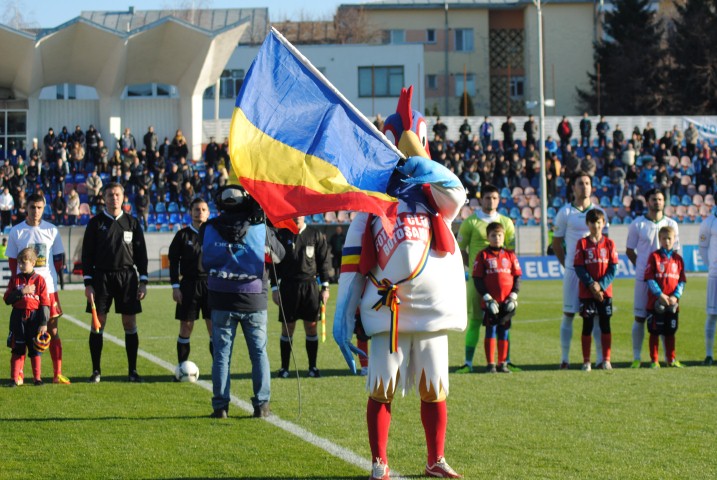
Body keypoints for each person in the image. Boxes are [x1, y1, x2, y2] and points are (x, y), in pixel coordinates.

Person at [334, 89, 465, 479]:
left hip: (428, 312)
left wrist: (421, 163)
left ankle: (435, 460)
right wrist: (344, 313)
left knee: (435, 387)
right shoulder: (371, 197)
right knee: (381, 388)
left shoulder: (434, 196)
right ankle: (379, 462)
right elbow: (353, 260)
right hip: (384, 311)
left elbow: (457, 191)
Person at [200, 185, 285, 419]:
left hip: (220, 298)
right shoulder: (260, 228)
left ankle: (220, 406)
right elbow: (279, 256)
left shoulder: (209, 228)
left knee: (221, 355)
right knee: (259, 354)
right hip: (253, 299)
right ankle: (261, 406)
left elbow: (203, 260)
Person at [82, 182, 149, 383]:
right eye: (110, 195)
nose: (114, 198)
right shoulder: (95, 223)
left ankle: (133, 371)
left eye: (117, 194)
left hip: (127, 278)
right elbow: (87, 254)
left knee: (129, 322)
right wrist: (88, 283)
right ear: (104, 197)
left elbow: (141, 253)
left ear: (123, 197)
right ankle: (96, 371)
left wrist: (143, 280)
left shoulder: (132, 222)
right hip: (101, 277)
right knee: (98, 323)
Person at [6, 193, 69, 384]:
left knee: (52, 330)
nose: (36, 211)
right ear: (27, 207)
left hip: (48, 289)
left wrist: (46, 280)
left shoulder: (52, 230)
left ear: (44, 208)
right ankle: (19, 374)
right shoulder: (16, 232)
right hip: (25, 292)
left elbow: (58, 260)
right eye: (32, 207)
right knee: (22, 333)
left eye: (39, 208)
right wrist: (22, 285)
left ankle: (57, 373)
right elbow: (12, 263)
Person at [456, 184, 516, 374]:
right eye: (488, 198)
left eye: (494, 198)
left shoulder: (506, 223)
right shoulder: (471, 222)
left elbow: (511, 253)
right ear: (482, 199)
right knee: (474, 320)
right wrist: (474, 267)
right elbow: (460, 249)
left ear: (499, 200)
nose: (491, 201)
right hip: (478, 282)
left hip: (502, 283)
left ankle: (504, 361)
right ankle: (468, 362)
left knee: (504, 319)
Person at [553, 171, 606, 369]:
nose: (584, 186)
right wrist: (567, 264)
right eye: (580, 183)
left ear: (591, 187)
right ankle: (565, 359)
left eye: (587, 183)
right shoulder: (565, 212)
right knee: (568, 314)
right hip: (573, 272)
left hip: (596, 274)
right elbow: (556, 243)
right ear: (573, 187)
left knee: (598, 316)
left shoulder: (600, 212)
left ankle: (600, 359)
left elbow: (604, 243)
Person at [625, 188, 680, 368]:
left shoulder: (672, 224)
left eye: (660, 199)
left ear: (664, 202)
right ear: (647, 202)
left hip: (666, 282)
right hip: (643, 280)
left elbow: (675, 252)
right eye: (653, 199)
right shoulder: (637, 224)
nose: (657, 202)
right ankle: (636, 358)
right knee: (640, 318)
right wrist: (642, 267)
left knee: (665, 316)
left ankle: (667, 358)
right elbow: (629, 250)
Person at [272, 215, 331, 378]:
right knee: (287, 327)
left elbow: (324, 261)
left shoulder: (315, 234)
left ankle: (313, 367)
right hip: (288, 286)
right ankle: (284, 368)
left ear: (304, 215)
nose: (297, 216)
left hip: (310, 286)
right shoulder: (281, 234)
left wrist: (325, 286)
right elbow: (273, 263)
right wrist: (274, 287)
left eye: (300, 213)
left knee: (311, 326)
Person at [471, 222, 521, 373]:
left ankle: (502, 363)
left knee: (504, 331)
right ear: (488, 237)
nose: (497, 238)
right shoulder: (483, 255)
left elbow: (517, 277)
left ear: (503, 237)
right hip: (491, 302)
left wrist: (513, 296)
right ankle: (491, 364)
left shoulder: (510, 255)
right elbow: (477, 279)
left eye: (499, 235)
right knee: (491, 330)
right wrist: (487, 298)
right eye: (493, 235)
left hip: (506, 302)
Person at [573, 209, 618, 371]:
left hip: (605, 293)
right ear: (587, 224)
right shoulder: (582, 244)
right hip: (587, 292)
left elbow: (613, 268)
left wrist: (602, 286)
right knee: (587, 325)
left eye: (599, 222)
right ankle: (586, 361)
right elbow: (578, 267)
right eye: (592, 222)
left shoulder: (610, 244)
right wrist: (592, 285)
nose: (596, 225)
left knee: (605, 324)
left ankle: (606, 359)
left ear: (603, 224)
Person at [168, 198, 211, 367]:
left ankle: (218, 370)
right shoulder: (182, 235)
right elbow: (173, 262)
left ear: (208, 213)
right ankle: (182, 367)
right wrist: (175, 286)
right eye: (196, 209)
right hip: (188, 286)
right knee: (186, 327)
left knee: (213, 328)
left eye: (203, 209)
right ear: (190, 212)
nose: (199, 212)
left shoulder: (214, 234)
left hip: (210, 285)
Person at [5, 247, 51, 386]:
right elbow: (7, 299)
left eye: (23, 263)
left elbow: (44, 302)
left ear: (32, 262)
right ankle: (14, 379)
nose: (20, 266)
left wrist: (43, 323)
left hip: (34, 317)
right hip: (18, 317)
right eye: (19, 263)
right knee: (17, 348)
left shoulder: (40, 280)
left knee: (35, 348)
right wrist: (22, 292)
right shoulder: (15, 280)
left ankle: (37, 378)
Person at [644, 226, 686, 368]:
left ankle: (671, 359)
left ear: (674, 240)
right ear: (659, 240)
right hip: (656, 302)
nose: (667, 241)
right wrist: (660, 295)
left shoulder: (678, 259)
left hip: (672, 303)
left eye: (669, 238)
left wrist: (675, 296)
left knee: (670, 332)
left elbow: (681, 281)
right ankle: (654, 360)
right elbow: (649, 278)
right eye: (664, 238)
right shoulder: (654, 257)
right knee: (655, 331)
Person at [699, 209, 717, 365]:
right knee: (712, 314)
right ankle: (709, 354)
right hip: (715, 275)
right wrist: (712, 266)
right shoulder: (708, 223)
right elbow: (703, 248)